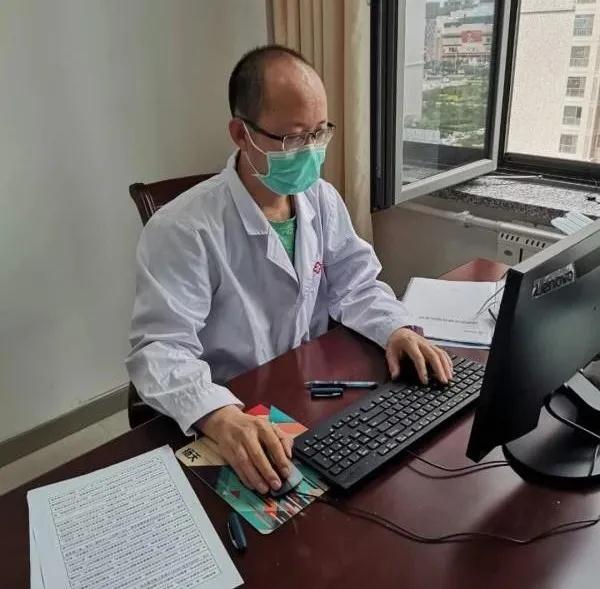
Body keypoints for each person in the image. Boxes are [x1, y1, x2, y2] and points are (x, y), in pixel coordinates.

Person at [126, 45, 453, 495]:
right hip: (232, 403)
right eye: (295, 138)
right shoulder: (182, 228)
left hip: (305, 389)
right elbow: (160, 349)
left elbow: (356, 283)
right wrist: (219, 416)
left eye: (320, 133)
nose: (312, 152)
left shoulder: (321, 197)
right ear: (241, 134)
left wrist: (396, 328)